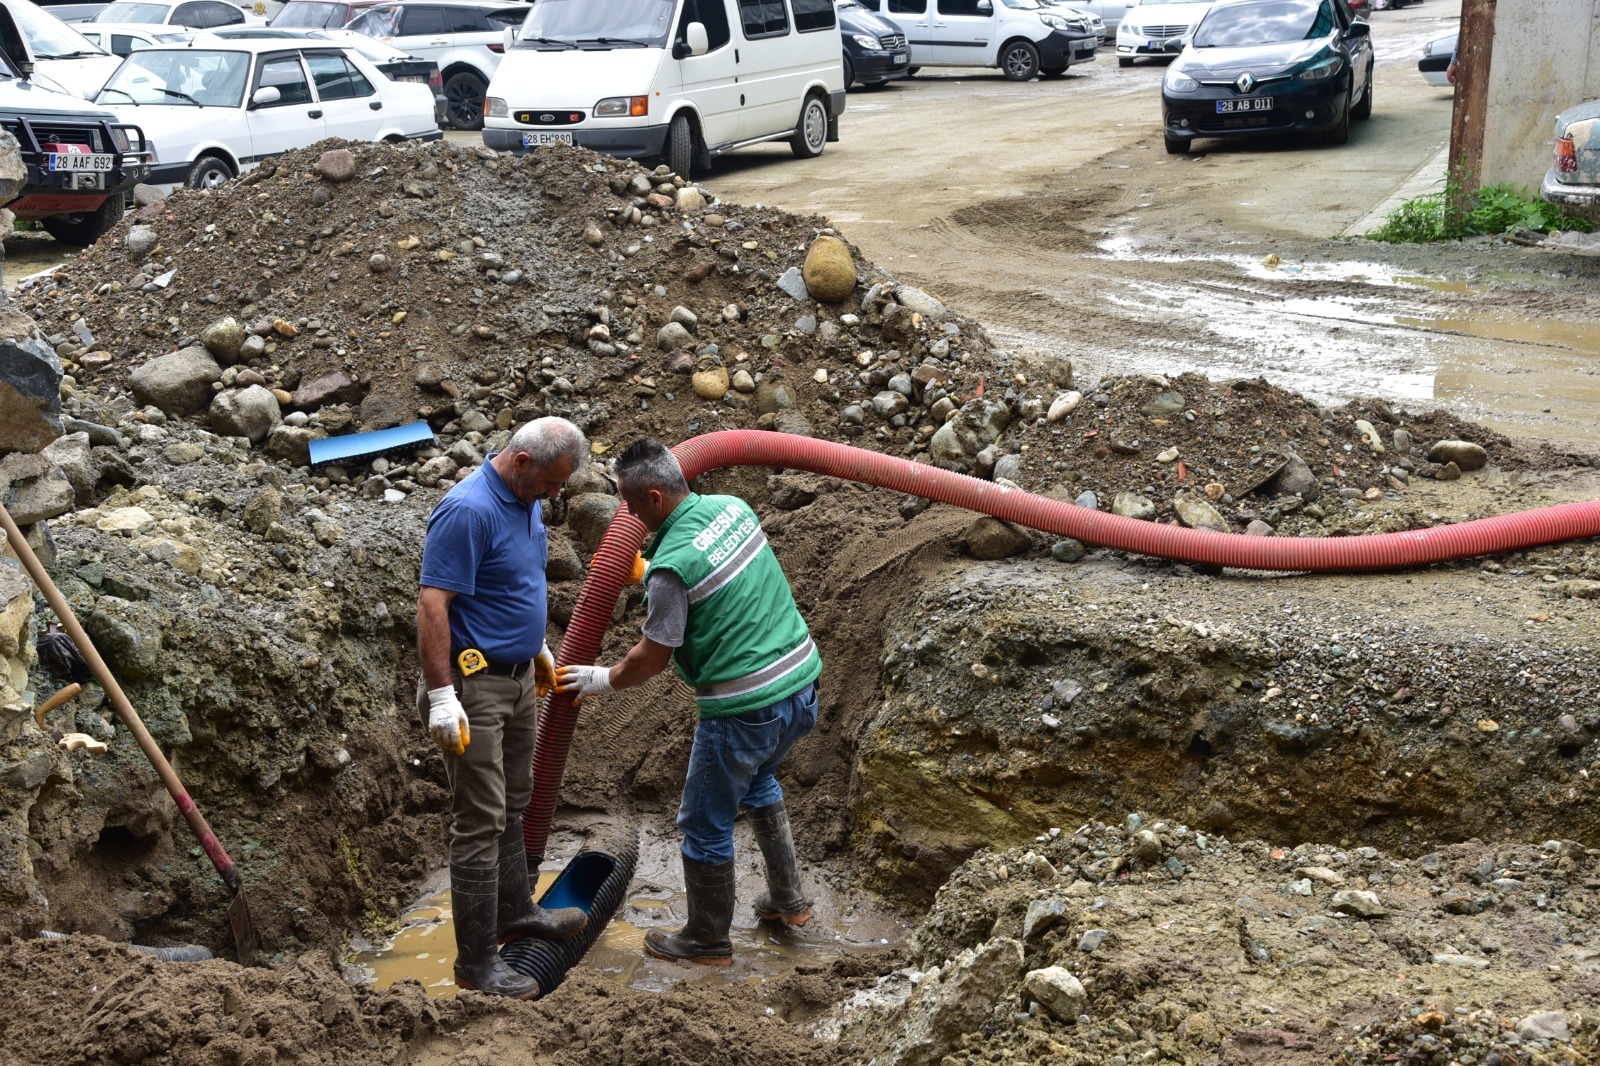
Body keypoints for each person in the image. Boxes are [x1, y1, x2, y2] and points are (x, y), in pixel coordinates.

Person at [555, 439, 821, 967]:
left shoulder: (670, 573)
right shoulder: (732, 509)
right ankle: (788, 902)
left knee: (703, 823)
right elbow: (713, 573)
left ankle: (706, 939)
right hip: (801, 687)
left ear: (654, 497)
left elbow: (651, 659)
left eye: (632, 505)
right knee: (761, 780)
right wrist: (651, 570)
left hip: (745, 707)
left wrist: (601, 678)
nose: (629, 515)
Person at [416, 416, 590, 999]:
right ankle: (475, 964)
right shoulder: (468, 510)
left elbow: (513, 583)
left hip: (516, 681)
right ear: (521, 462)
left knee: (515, 801)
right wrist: (443, 698)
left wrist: (534, 645)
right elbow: (433, 606)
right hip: (472, 689)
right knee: (480, 821)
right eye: (550, 482)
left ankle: (514, 911)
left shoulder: (526, 503)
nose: (555, 495)